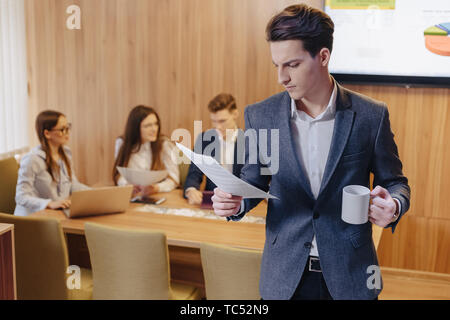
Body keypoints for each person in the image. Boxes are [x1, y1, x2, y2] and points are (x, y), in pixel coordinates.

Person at [211, 4, 410, 300]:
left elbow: (396, 183)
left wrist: (393, 204)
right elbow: (253, 182)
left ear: (323, 57)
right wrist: (235, 202)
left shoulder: (371, 116)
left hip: (352, 275)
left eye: (292, 64)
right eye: (276, 65)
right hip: (284, 277)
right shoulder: (260, 115)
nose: (281, 77)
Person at [15, 110, 89, 216]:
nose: (67, 133)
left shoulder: (66, 153)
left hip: (57, 213)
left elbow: (72, 185)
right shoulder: (32, 159)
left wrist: (96, 194)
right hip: (34, 217)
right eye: (62, 129)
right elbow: (21, 197)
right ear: (47, 133)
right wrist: (49, 204)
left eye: (68, 127)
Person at [184, 93, 244, 205]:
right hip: (211, 202)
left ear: (235, 114)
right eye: (214, 121)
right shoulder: (204, 140)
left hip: (242, 203)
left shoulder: (251, 141)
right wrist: (191, 190)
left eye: (222, 121)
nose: (218, 127)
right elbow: (194, 174)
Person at [113, 105, 179, 197]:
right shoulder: (122, 143)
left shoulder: (164, 144)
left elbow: (174, 179)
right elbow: (118, 175)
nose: (154, 129)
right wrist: (126, 185)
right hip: (129, 195)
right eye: (147, 125)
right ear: (135, 128)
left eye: (156, 124)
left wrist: (156, 188)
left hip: (156, 195)